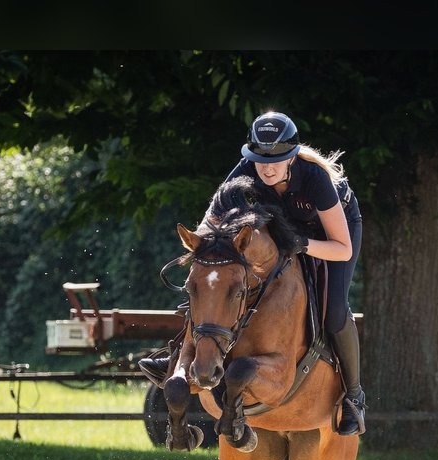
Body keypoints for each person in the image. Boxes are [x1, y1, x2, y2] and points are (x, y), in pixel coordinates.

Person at [143, 111, 366, 436]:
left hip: (330, 235)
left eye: (277, 160)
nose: (267, 168)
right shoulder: (245, 170)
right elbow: (210, 223)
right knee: (217, 287)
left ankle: (354, 396)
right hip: (285, 230)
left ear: (292, 157)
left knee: (333, 311)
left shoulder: (314, 178)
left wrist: (300, 244)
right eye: (260, 160)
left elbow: (341, 248)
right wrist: (204, 249)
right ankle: (178, 357)